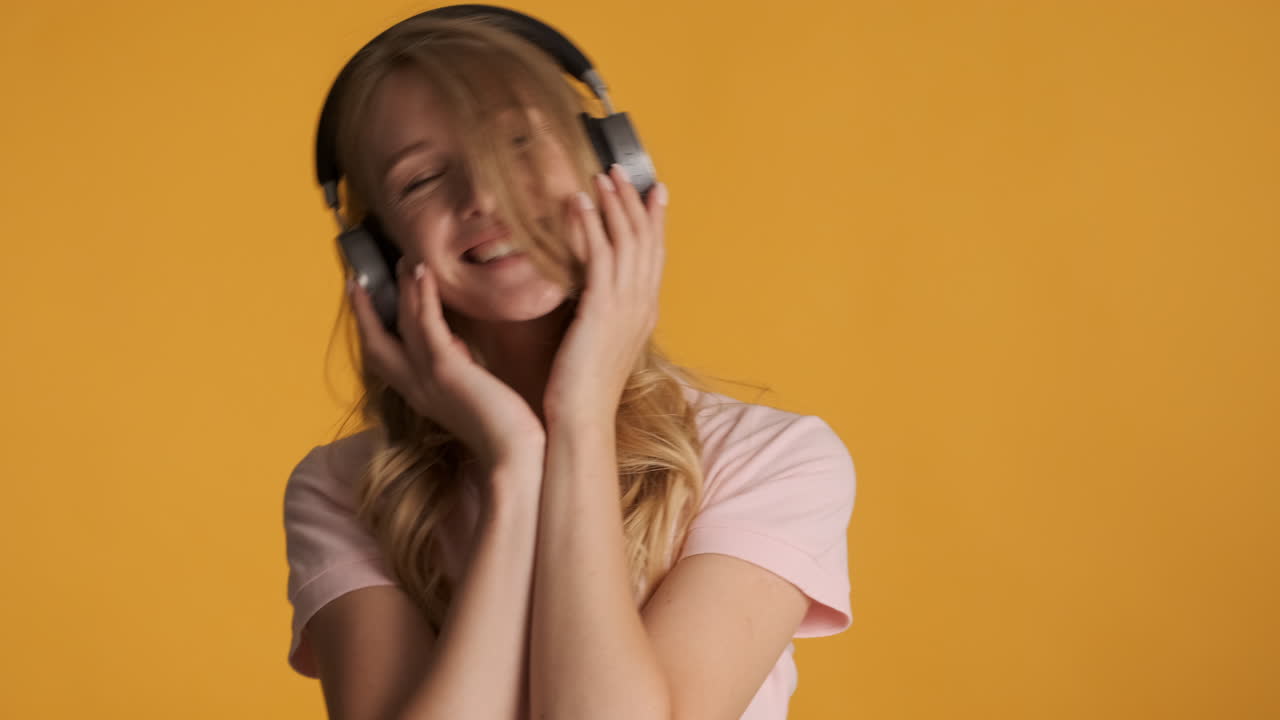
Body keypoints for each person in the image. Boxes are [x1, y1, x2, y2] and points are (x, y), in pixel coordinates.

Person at [283, 9, 856, 720]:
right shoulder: (344, 491)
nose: (485, 196)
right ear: (375, 258)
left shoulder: (771, 459)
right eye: (422, 179)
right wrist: (516, 464)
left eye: (519, 142)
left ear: (613, 165)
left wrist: (579, 416)